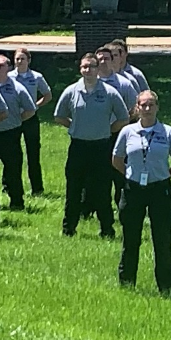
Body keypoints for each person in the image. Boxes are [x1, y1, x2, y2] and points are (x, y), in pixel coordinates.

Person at [113, 91, 171, 294]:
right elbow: (117, 160)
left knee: (162, 241)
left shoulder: (168, 132)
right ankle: (127, 285)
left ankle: (166, 288)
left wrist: (163, 176)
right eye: (143, 105)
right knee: (130, 240)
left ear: (157, 107)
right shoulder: (127, 132)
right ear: (137, 108)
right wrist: (131, 175)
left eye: (151, 105)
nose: (147, 109)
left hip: (159, 190)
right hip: (133, 190)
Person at [58, 54, 132, 237]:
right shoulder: (71, 91)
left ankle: (107, 229)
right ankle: (69, 229)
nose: (87, 70)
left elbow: (124, 118)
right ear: (80, 69)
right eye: (84, 67)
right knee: (74, 190)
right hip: (78, 147)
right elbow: (59, 116)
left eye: (91, 67)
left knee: (102, 190)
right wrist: (75, 126)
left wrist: (107, 129)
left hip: (101, 147)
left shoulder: (109, 92)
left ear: (98, 69)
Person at [0, 54, 41, 219]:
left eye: (1, 65)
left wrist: (17, 120)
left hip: (11, 135)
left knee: (13, 171)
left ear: (8, 68)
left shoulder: (17, 88)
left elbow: (30, 109)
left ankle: (17, 201)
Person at [12, 50, 56, 197]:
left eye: (22, 59)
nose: (19, 62)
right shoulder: (9, 77)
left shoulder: (36, 77)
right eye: (17, 59)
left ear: (29, 60)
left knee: (33, 153)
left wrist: (35, 106)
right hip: (14, 118)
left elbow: (47, 95)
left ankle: (37, 188)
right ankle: (9, 185)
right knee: (12, 152)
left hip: (30, 117)